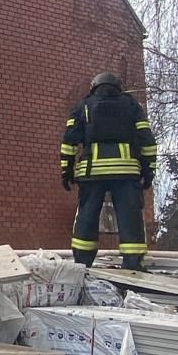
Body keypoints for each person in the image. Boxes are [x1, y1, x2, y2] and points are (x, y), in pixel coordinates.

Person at [59, 72, 158, 270]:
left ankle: (82, 263)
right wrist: (149, 171)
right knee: (130, 216)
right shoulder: (132, 106)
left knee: (87, 215)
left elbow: (69, 141)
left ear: (93, 87)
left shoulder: (82, 106)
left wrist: (66, 170)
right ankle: (133, 263)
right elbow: (147, 140)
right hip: (126, 172)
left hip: (91, 172)